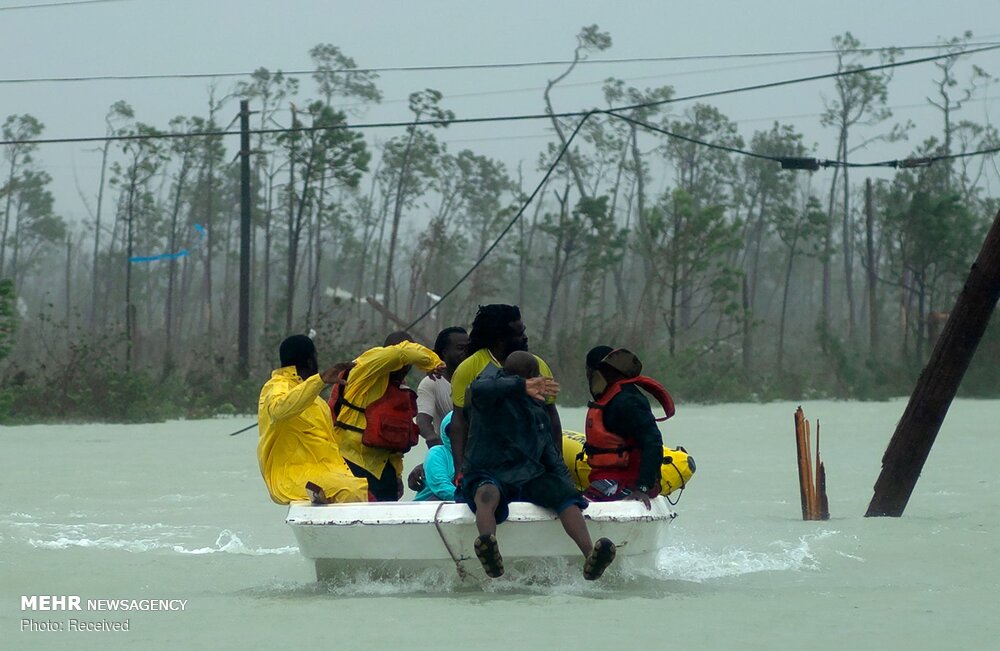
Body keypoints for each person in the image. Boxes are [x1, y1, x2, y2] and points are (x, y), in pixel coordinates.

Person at [461, 351, 616, 581]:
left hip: (526, 475)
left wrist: (570, 488)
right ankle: (488, 544)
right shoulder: (486, 394)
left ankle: (590, 554)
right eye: (535, 379)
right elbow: (479, 388)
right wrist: (520, 385)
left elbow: (551, 456)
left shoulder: (538, 411)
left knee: (563, 495)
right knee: (486, 493)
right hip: (487, 471)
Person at [449, 304, 561, 479]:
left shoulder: (537, 365)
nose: (525, 338)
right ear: (500, 339)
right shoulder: (469, 368)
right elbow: (459, 423)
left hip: (532, 466)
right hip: (487, 466)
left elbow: (551, 417)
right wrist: (459, 469)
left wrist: (557, 465)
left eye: (524, 331)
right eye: (519, 334)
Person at [331, 331, 444, 502]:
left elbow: (393, 438)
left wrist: (397, 474)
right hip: (352, 464)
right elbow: (401, 352)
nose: (405, 368)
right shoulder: (366, 367)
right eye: (404, 363)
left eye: (409, 365)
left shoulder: (398, 388)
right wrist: (433, 363)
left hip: (384, 470)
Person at [257, 334, 369, 504]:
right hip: (290, 476)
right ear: (310, 361)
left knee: (363, 488)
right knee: (352, 489)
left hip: (325, 473)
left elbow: (329, 444)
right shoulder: (276, 386)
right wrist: (321, 380)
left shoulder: (315, 399)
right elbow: (279, 410)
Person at [583, 346, 675, 510]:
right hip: (608, 477)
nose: (588, 377)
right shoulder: (612, 397)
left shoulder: (627, 401)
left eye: (589, 372)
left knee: (576, 505)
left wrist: (643, 488)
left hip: (628, 482)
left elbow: (653, 442)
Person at [408, 326, 469, 493]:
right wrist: (432, 440)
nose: (466, 352)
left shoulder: (476, 379)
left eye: (468, 348)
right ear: (444, 353)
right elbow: (422, 419)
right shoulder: (431, 383)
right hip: (447, 453)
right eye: (459, 348)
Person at [413, 411, 457, 501]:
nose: (458, 435)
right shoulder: (437, 453)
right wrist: (469, 499)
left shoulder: (474, 455)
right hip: (427, 510)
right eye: (452, 431)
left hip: (461, 507)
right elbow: (441, 487)